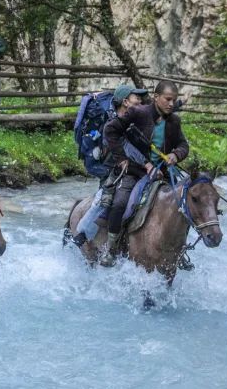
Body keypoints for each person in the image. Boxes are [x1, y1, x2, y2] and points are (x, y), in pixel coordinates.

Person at [98, 80, 189, 266]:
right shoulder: (138, 113)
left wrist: (175, 154)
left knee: (183, 207)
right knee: (120, 203)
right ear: (156, 98)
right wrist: (121, 158)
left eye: (175, 100)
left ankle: (180, 251)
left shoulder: (174, 121)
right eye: (168, 99)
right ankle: (112, 248)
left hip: (162, 174)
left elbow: (183, 145)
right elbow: (110, 130)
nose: (172, 104)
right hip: (135, 171)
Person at [71, 82, 147, 247]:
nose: (141, 102)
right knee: (107, 200)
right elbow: (126, 150)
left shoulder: (134, 119)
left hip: (133, 168)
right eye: (137, 99)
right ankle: (85, 235)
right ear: (125, 102)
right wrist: (146, 164)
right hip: (112, 169)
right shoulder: (111, 124)